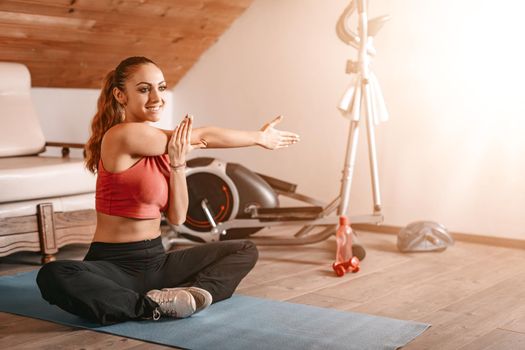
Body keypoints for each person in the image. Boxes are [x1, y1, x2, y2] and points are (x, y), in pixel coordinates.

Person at [36, 56, 300, 325]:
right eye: (143, 89)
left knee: (245, 249)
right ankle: (150, 306)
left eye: (161, 88)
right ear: (120, 95)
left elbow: (177, 218)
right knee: (54, 274)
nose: (156, 97)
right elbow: (203, 136)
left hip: (156, 261)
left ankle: (191, 296)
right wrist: (259, 137)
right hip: (113, 265)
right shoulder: (120, 136)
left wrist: (177, 164)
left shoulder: (166, 148)